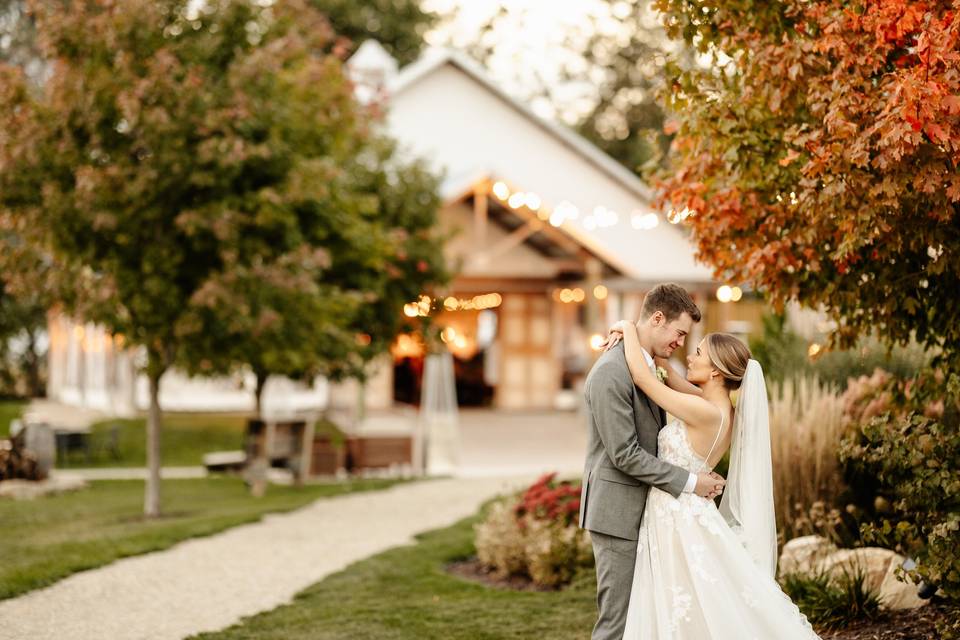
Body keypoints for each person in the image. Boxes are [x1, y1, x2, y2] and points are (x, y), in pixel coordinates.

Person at [605, 319, 821, 639]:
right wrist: (653, 343)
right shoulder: (715, 406)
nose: (690, 357)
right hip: (681, 509)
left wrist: (626, 326)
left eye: (698, 353)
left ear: (716, 371)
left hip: (677, 516)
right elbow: (669, 375)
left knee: (683, 601)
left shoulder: (704, 412)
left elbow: (642, 377)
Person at [578, 284, 725, 640]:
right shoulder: (611, 373)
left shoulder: (650, 366)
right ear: (657, 318)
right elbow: (625, 454)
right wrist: (692, 482)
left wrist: (628, 327)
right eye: (679, 333)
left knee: (642, 621)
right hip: (617, 514)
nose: (680, 343)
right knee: (617, 623)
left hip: (646, 512)